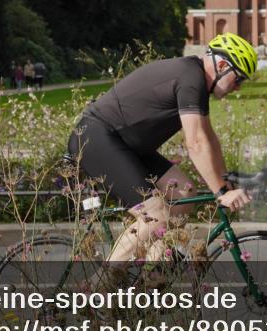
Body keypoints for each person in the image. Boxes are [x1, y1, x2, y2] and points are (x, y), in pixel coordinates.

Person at [66, 32, 257, 264]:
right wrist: (220, 193)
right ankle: (100, 289)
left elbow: (209, 140)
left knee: (184, 192)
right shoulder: (191, 79)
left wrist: (226, 183)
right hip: (97, 138)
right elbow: (195, 143)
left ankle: (153, 273)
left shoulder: (194, 80)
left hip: (127, 146)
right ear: (223, 65)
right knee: (155, 216)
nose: (238, 88)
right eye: (239, 79)